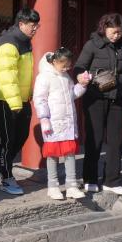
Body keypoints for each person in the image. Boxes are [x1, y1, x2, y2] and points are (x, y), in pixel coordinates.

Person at [74, 13, 122, 195]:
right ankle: (90, 179)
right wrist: (80, 76)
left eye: (120, 32)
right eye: (114, 32)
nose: (117, 36)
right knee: (94, 139)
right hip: (95, 98)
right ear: (104, 28)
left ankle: (112, 181)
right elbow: (79, 66)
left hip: (117, 99)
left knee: (116, 141)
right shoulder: (92, 45)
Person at [0, 8, 40, 195]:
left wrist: (27, 95)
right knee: (7, 139)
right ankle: (6, 178)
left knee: (22, 135)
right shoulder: (9, 42)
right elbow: (7, 75)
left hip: (20, 97)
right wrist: (16, 103)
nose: (35, 29)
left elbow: (24, 73)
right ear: (21, 24)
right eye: (32, 25)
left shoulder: (25, 41)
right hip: (4, 97)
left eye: (37, 25)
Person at [33, 48, 91, 200]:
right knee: (52, 155)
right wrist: (44, 118)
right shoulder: (44, 77)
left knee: (70, 153)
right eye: (63, 65)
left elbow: (72, 94)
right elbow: (39, 99)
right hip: (52, 122)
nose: (66, 68)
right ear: (54, 62)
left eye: (68, 66)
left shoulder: (66, 77)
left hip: (68, 121)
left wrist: (82, 85)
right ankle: (53, 186)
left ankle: (71, 186)